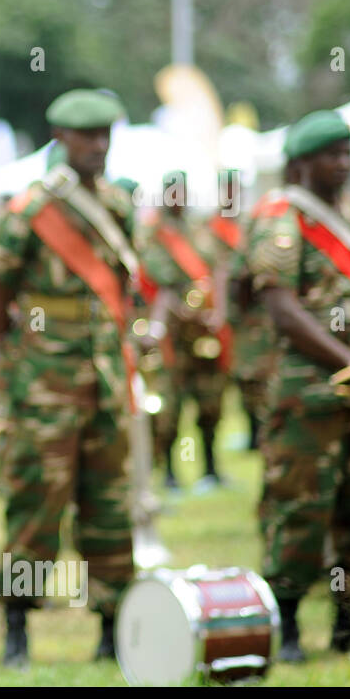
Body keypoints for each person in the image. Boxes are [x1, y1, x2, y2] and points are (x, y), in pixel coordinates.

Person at [0, 89, 137, 668]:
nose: (98, 146)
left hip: (103, 376)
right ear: (62, 139)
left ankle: (111, 625)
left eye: (105, 136)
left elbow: (124, 290)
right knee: (36, 501)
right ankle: (17, 629)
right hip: (42, 384)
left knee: (109, 502)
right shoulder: (28, 209)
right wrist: (21, 362)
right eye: (87, 137)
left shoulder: (118, 205)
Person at [246, 110, 350, 662]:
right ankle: (285, 624)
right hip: (309, 392)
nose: (344, 165)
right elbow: (281, 310)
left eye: (347, 154)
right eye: (332, 155)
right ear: (303, 162)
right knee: (300, 505)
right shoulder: (281, 221)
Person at [136, 170, 230, 491]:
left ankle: (211, 468)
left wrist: (216, 312)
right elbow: (158, 283)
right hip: (172, 334)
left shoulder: (199, 230)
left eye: (183, 192)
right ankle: (171, 473)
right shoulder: (153, 234)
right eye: (173, 193)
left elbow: (217, 269)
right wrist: (185, 313)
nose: (179, 199)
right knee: (169, 407)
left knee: (211, 402)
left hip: (203, 335)